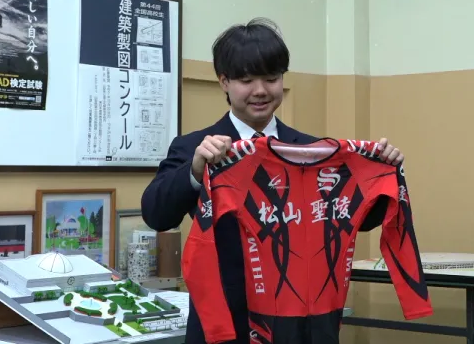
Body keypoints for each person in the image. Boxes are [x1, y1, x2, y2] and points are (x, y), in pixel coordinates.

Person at [141, 17, 404, 344]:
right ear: (224, 82)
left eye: (271, 78)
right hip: (226, 322)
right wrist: (195, 172)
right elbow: (156, 214)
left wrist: (382, 178)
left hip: (300, 323)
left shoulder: (312, 150)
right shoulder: (195, 148)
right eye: (246, 80)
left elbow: (353, 219)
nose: (261, 91)